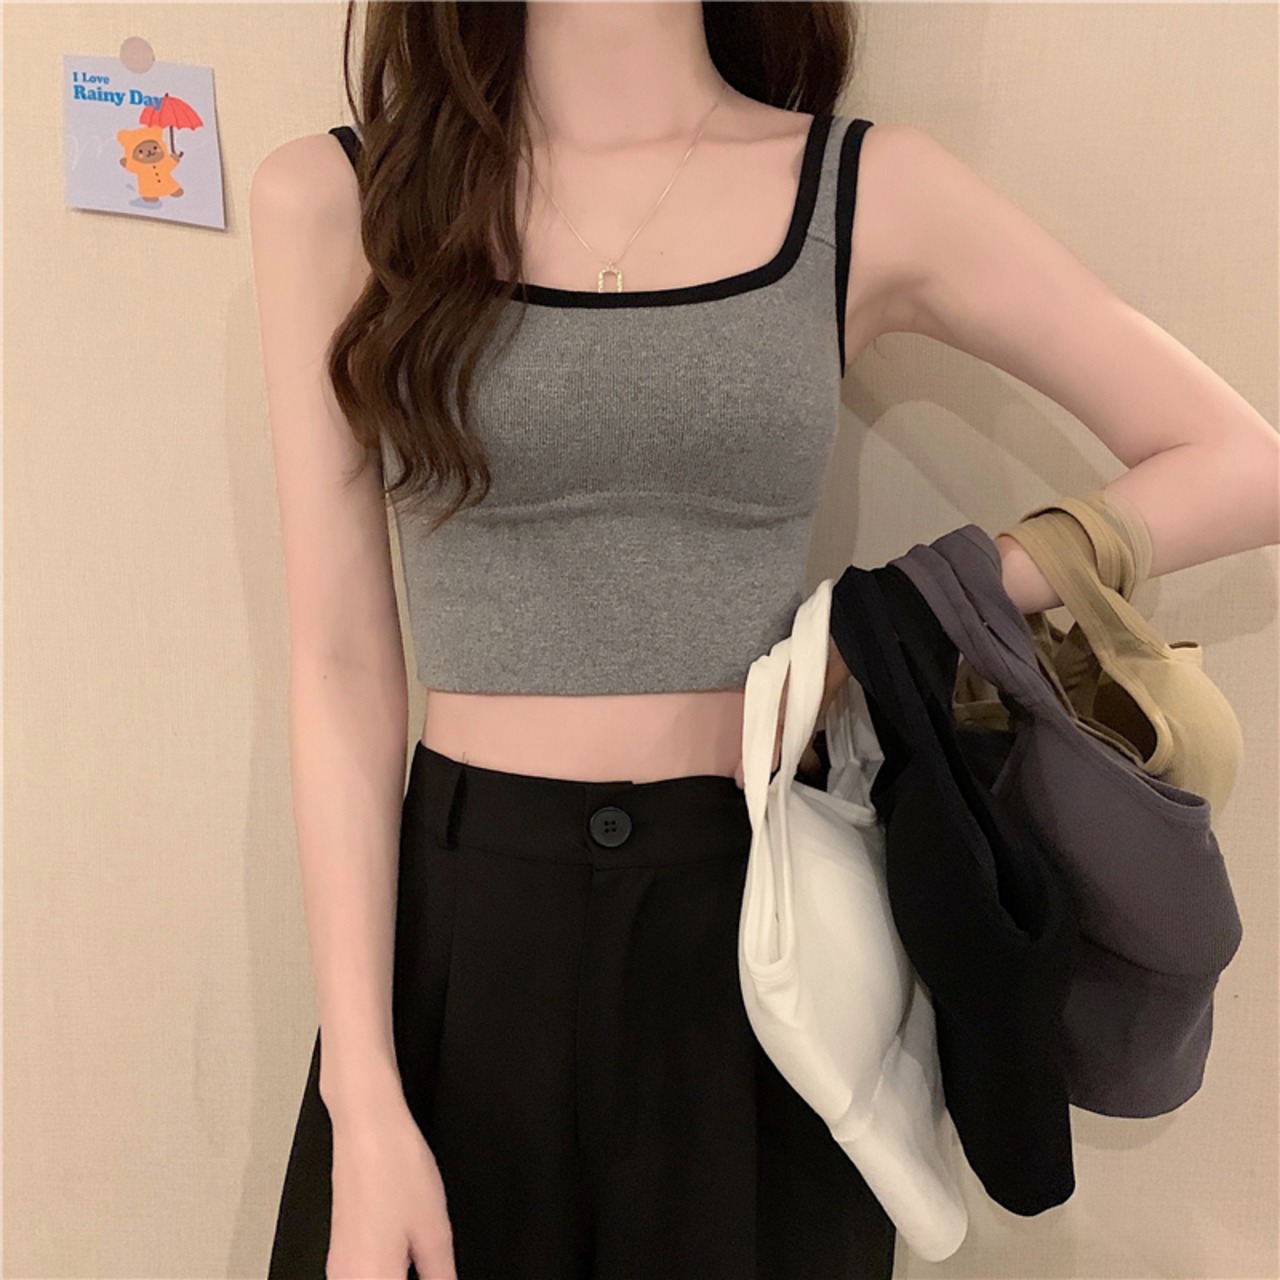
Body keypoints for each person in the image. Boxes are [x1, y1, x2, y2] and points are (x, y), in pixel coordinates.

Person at [248, 3, 1280, 1277]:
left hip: (756, 935)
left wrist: (927, 600)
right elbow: (339, 663)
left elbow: (1240, 465)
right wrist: (362, 1092)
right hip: (462, 949)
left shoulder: (861, 192)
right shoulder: (340, 202)